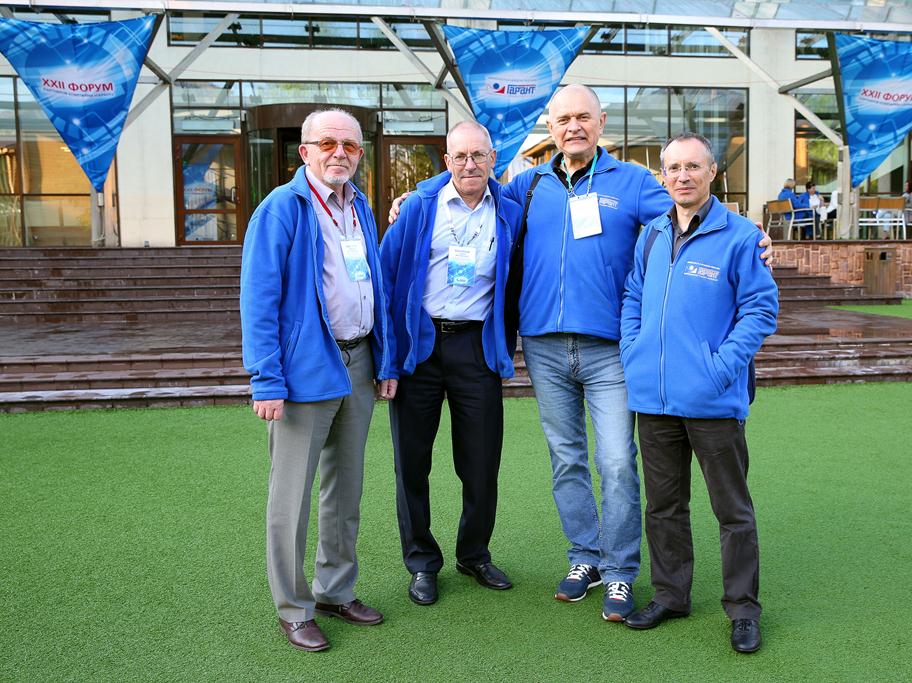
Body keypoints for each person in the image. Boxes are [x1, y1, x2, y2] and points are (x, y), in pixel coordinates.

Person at [391, 85, 773, 623]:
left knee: (616, 461)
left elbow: (691, 208)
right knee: (566, 459)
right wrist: (414, 194)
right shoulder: (527, 185)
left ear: (601, 122)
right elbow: (469, 179)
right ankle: (584, 557)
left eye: (583, 117)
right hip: (544, 347)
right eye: (564, 118)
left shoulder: (634, 181)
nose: (573, 126)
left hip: (608, 349)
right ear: (551, 127)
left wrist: (751, 233)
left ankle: (619, 570)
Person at [240, 108, 397, 653]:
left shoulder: (360, 207)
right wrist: (266, 379)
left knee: (345, 490)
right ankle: (293, 608)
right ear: (304, 152)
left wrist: (385, 360)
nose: (339, 153)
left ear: (360, 154)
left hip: (359, 363)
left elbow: (373, 285)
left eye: (349, 145)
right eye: (327, 143)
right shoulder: (281, 209)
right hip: (304, 369)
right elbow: (258, 299)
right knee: (291, 500)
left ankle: (335, 591)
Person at [619, 132, 778, 653]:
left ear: (713, 172)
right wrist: (633, 349)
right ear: (662, 175)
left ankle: (743, 609)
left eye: (693, 166)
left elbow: (760, 310)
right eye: (673, 168)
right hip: (654, 398)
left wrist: (721, 368)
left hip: (712, 399)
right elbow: (634, 294)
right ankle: (671, 595)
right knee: (664, 507)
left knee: (732, 511)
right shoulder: (651, 234)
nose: (682, 176)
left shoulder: (740, 237)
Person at [379, 121, 520, 606]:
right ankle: (421, 562)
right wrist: (388, 359)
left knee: (481, 462)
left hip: (476, 348)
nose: (469, 164)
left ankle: (473, 553)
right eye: (460, 156)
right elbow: (386, 279)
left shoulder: (510, 212)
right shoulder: (418, 207)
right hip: (419, 347)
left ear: (493, 159)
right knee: (411, 463)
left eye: (478, 155)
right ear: (446, 162)